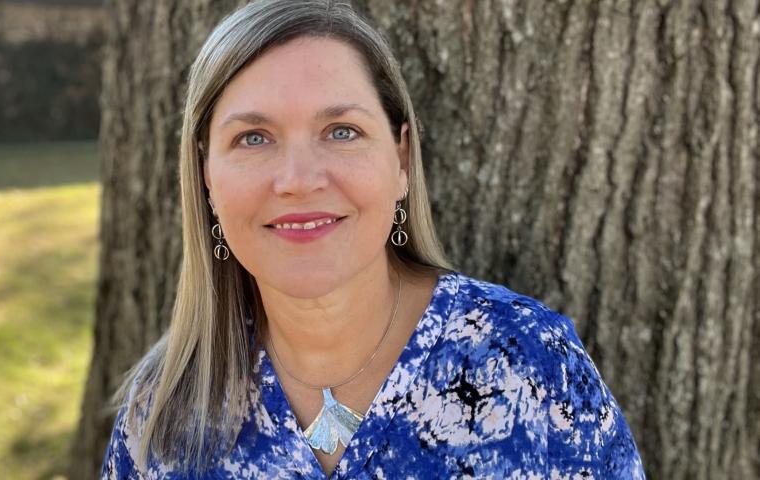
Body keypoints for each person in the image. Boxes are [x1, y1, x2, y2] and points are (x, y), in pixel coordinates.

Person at [100, 0, 646, 478]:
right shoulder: (160, 417)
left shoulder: (530, 362)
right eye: (253, 138)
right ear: (206, 177)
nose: (298, 180)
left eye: (342, 131)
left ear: (401, 157)